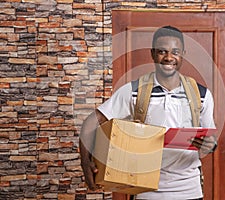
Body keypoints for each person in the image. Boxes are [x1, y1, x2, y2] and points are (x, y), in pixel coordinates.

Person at [79, 26, 217, 200]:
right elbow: (91, 123)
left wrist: (209, 145)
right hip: (145, 191)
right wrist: (86, 162)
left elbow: (211, 142)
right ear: (152, 54)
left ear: (183, 54)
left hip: (189, 190)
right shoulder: (133, 91)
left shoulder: (202, 94)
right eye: (162, 51)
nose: (168, 57)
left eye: (175, 51)